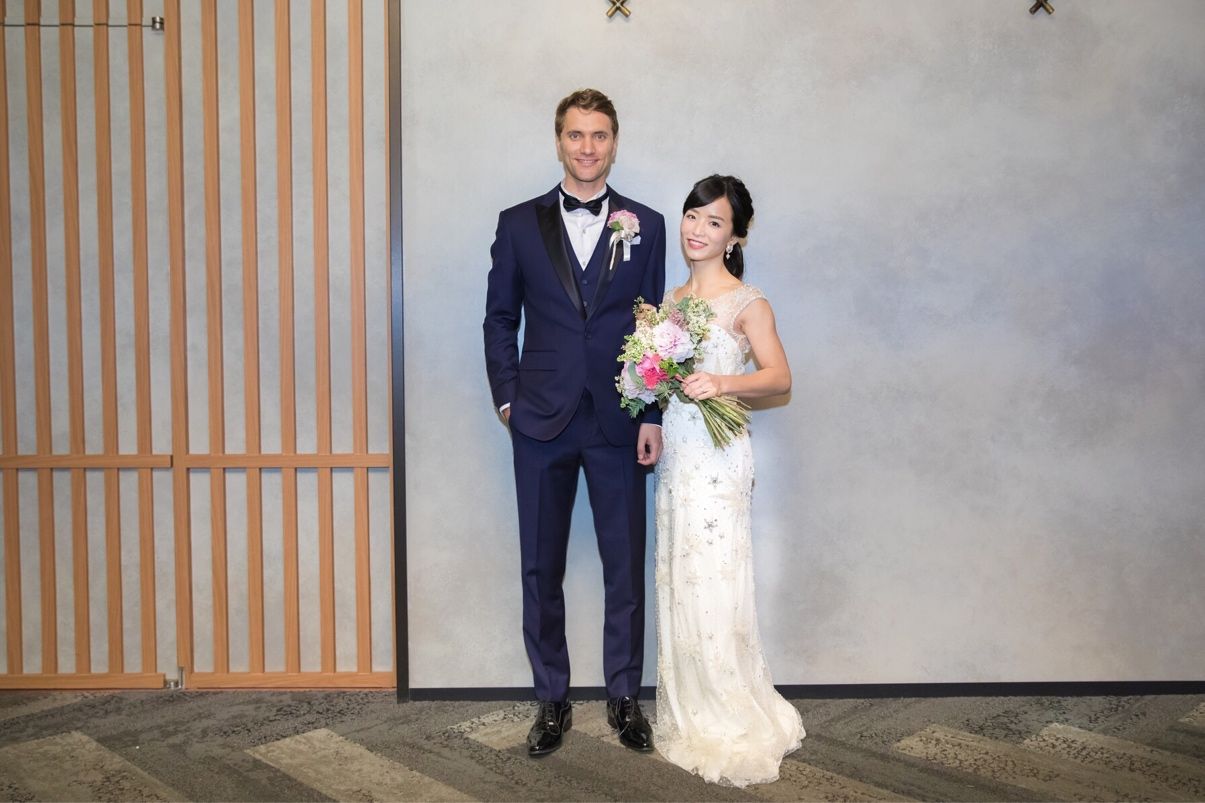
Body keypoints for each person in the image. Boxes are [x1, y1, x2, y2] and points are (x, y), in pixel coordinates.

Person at [483, 89, 667, 757]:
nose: (587, 147)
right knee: (540, 567)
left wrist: (651, 412)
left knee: (625, 567)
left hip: (619, 420)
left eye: (599, 135)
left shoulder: (647, 224)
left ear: (614, 142)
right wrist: (509, 400)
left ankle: (624, 696)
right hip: (539, 421)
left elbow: (653, 326)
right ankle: (551, 698)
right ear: (558, 140)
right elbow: (499, 319)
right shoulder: (516, 223)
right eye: (575, 135)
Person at [653, 175, 805, 786]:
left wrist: (722, 383)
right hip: (678, 456)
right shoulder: (668, 302)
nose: (698, 229)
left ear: (734, 237)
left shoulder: (748, 302)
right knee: (680, 571)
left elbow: (779, 377)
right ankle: (692, 704)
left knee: (715, 573)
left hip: (719, 459)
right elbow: (661, 381)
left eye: (714, 222)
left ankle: (728, 708)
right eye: (693, 215)